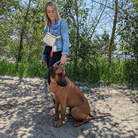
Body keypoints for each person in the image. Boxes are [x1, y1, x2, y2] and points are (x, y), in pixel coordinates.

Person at [40, 1, 71, 115]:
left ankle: (58, 106)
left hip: (57, 53)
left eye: (52, 11)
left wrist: (64, 54)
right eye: (48, 11)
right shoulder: (46, 27)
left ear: (55, 11)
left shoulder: (61, 23)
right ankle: (55, 102)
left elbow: (65, 40)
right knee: (50, 80)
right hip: (48, 54)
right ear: (46, 13)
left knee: (53, 79)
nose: (51, 13)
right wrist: (43, 57)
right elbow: (45, 43)